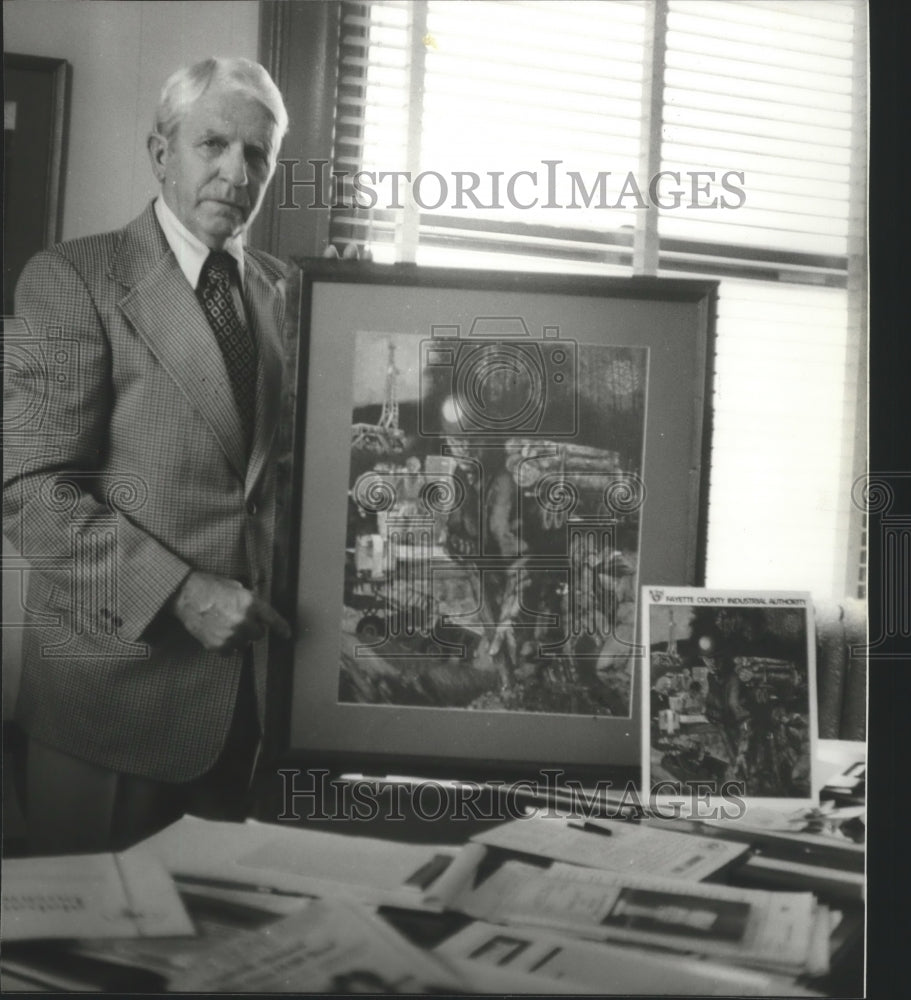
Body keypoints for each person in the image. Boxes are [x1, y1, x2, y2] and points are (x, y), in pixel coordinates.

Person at [3, 57, 293, 853]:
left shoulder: (290, 294)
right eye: (213, 144)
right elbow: (27, 488)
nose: (237, 173)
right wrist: (182, 595)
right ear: (161, 152)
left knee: (220, 934)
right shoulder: (72, 278)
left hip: (252, 714)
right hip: (114, 706)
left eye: (258, 153)